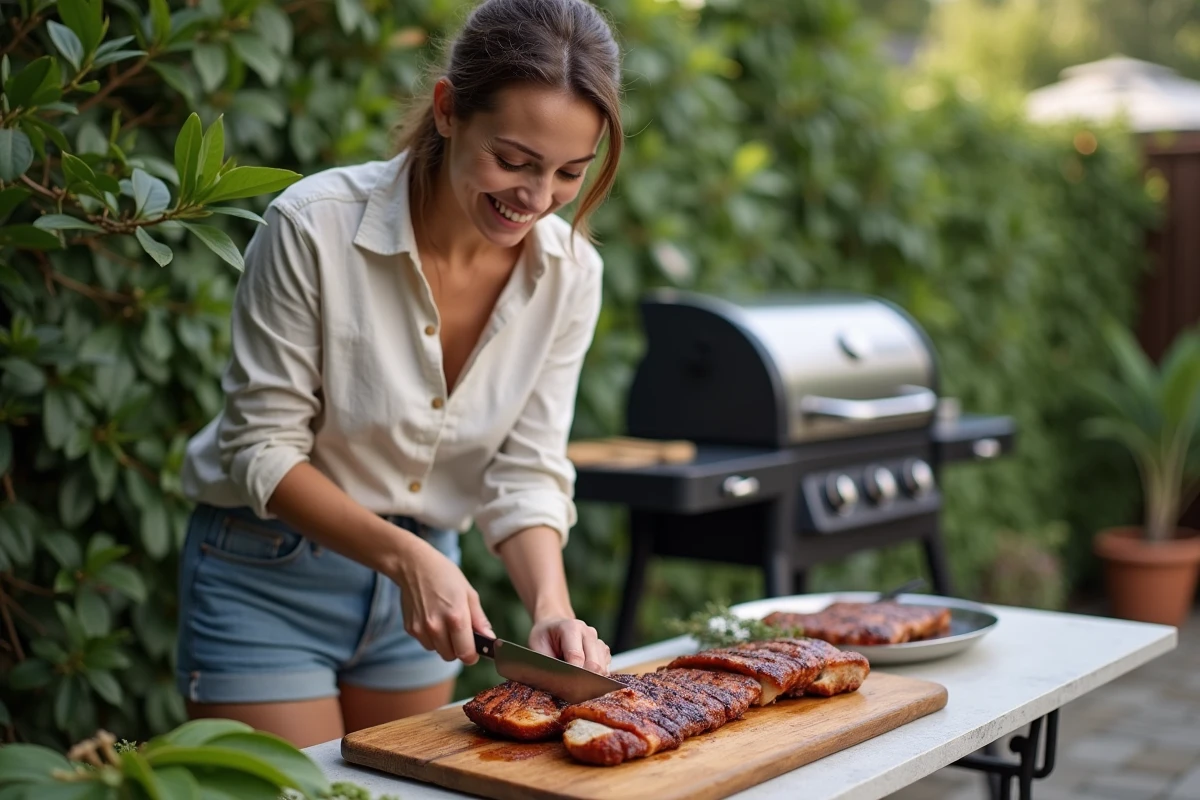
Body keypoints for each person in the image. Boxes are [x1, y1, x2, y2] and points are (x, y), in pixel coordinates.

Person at [174, 0, 624, 748]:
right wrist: (403, 556)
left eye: (569, 173)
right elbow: (259, 449)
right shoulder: (312, 226)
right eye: (512, 160)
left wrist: (550, 607)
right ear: (449, 111)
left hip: (427, 586)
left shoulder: (570, 273)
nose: (537, 198)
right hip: (266, 575)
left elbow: (527, 467)